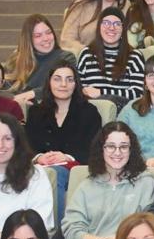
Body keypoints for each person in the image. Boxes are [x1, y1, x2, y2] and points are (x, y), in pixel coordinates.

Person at [59, 121, 154, 239]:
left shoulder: (145, 183)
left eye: (123, 147)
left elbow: (151, 224)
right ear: (101, 149)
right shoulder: (87, 186)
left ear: (131, 151)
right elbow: (71, 229)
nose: (117, 152)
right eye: (111, 146)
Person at [25, 59, 103, 216]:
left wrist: (66, 157)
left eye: (69, 79)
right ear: (49, 83)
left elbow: (95, 149)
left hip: (72, 168)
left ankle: (58, 235)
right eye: (57, 79)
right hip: (39, 167)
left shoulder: (89, 112)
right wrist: (39, 157)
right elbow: (27, 145)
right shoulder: (36, 112)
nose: (63, 84)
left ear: (76, 84)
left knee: (55, 173)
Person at [76, 7, 146, 109]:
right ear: (99, 27)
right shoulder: (86, 54)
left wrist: (101, 92)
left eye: (117, 24)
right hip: (92, 113)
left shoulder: (135, 56)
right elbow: (79, 90)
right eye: (106, 23)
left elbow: (138, 94)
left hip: (123, 114)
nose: (111, 28)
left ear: (123, 28)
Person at [3, 14, 72, 110]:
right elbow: (2, 88)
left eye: (48, 33)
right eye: (38, 36)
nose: (46, 38)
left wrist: (33, 94)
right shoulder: (15, 59)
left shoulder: (65, 57)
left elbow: (65, 87)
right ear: (28, 40)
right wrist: (16, 100)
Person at [61, 0, 126, 53]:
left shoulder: (124, 6)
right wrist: (89, 53)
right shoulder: (81, 6)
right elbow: (66, 40)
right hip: (84, 56)